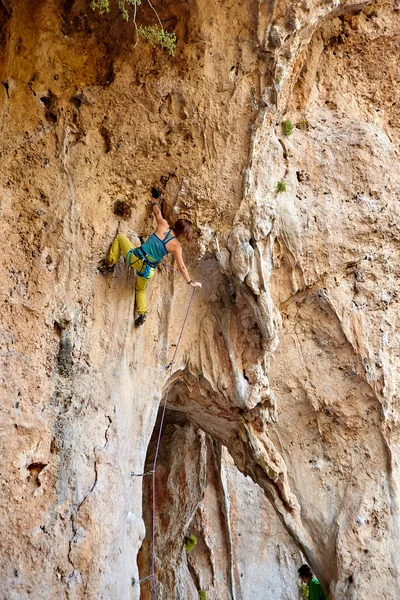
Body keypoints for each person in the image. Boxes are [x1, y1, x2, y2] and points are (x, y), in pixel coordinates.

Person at [98, 200, 202, 325]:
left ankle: (110, 264)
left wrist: (154, 202)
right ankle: (142, 314)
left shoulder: (163, 225)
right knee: (140, 289)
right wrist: (190, 282)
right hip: (148, 270)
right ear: (183, 234)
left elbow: (157, 212)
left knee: (120, 238)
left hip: (136, 258)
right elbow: (182, 267)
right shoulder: (176, 246)